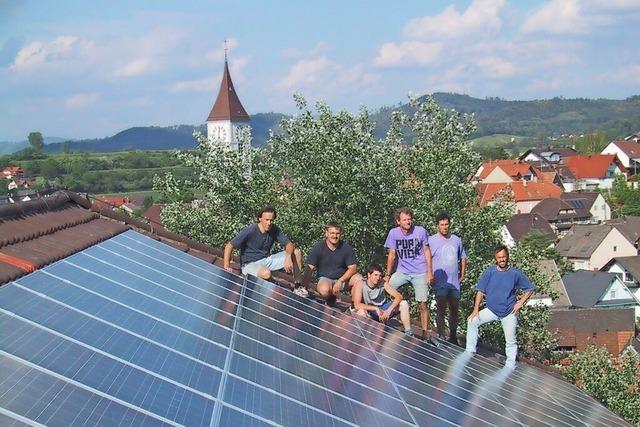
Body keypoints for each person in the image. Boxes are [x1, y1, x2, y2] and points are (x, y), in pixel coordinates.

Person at [466, 245, 535, 367]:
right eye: (499, 257)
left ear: (507, 257)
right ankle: (469, 351)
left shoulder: (515, 273)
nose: (502, 259)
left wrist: (520, 303)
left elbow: (530, 288)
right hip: (492, 310)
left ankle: (510, 365)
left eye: (503, 257)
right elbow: (480, 291)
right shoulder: (490, 272)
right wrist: (476, 309)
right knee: (472, 321)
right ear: (495, 259)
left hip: (509, 312)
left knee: (511, 340)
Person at [223, 206, 305, 295]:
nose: (269, 223)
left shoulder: (274, 229)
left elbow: (289, 244)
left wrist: (289, 256)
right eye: (267, 220)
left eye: (271, 220)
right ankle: (270, 281)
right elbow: (229, 246)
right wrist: (227, 265)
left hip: (266, 260)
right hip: (249, 264)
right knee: (266, 273)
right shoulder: (251, 230)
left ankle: (298, 287)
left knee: (296, 252)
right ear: (260, 218)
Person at [384, 207, 433, 337]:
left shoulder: (420, 231)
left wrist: (430, 272)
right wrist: (387, 275)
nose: (408, 222)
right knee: (386, 288)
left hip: (420, 271)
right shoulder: (393, 233)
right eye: (405, 220)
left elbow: (427, 251)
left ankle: (425, 333)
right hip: (402, 271)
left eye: (409, 219)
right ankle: (385, 315)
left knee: (422, 303)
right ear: (398, 221)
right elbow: (392, 255)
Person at [430, 212, 467, 344]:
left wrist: (462, 274)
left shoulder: (456, 240)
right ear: (437, 226)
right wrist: (429, 274)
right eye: (442, 225)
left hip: (454, 282)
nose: (445, 227)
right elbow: (426, 258)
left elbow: (463, 256)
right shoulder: (432, 240)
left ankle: (452, 336)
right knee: (440, 309)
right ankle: (441, 335)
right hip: (440, 281)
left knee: (454, 310)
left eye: (446, 224)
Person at [304, 221, 360, 305]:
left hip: (343, 280)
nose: (335, 236)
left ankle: (355, 306)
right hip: (326, 279)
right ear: (326, 234)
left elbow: (353, 268)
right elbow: (310, 268)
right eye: (332, 233)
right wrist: (304, 288)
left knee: (359, 279)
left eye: (337, 233)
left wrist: (340, 280)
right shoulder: (318, 247)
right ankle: (331, 299)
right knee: (324, 289)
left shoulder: (346, 248)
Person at [353, 263, 414, 336]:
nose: (378, 278)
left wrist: (389, 311)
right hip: (371, 311)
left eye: (380, 276)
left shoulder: (383, 283)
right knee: (361, 312)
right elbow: (357, 305)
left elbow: (399, 296)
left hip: (384, 309)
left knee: (404, 303)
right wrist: (375, 308)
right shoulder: (361, 284)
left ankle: (408, 332)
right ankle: (362, 334)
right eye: (375, 275)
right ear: (369, 275)